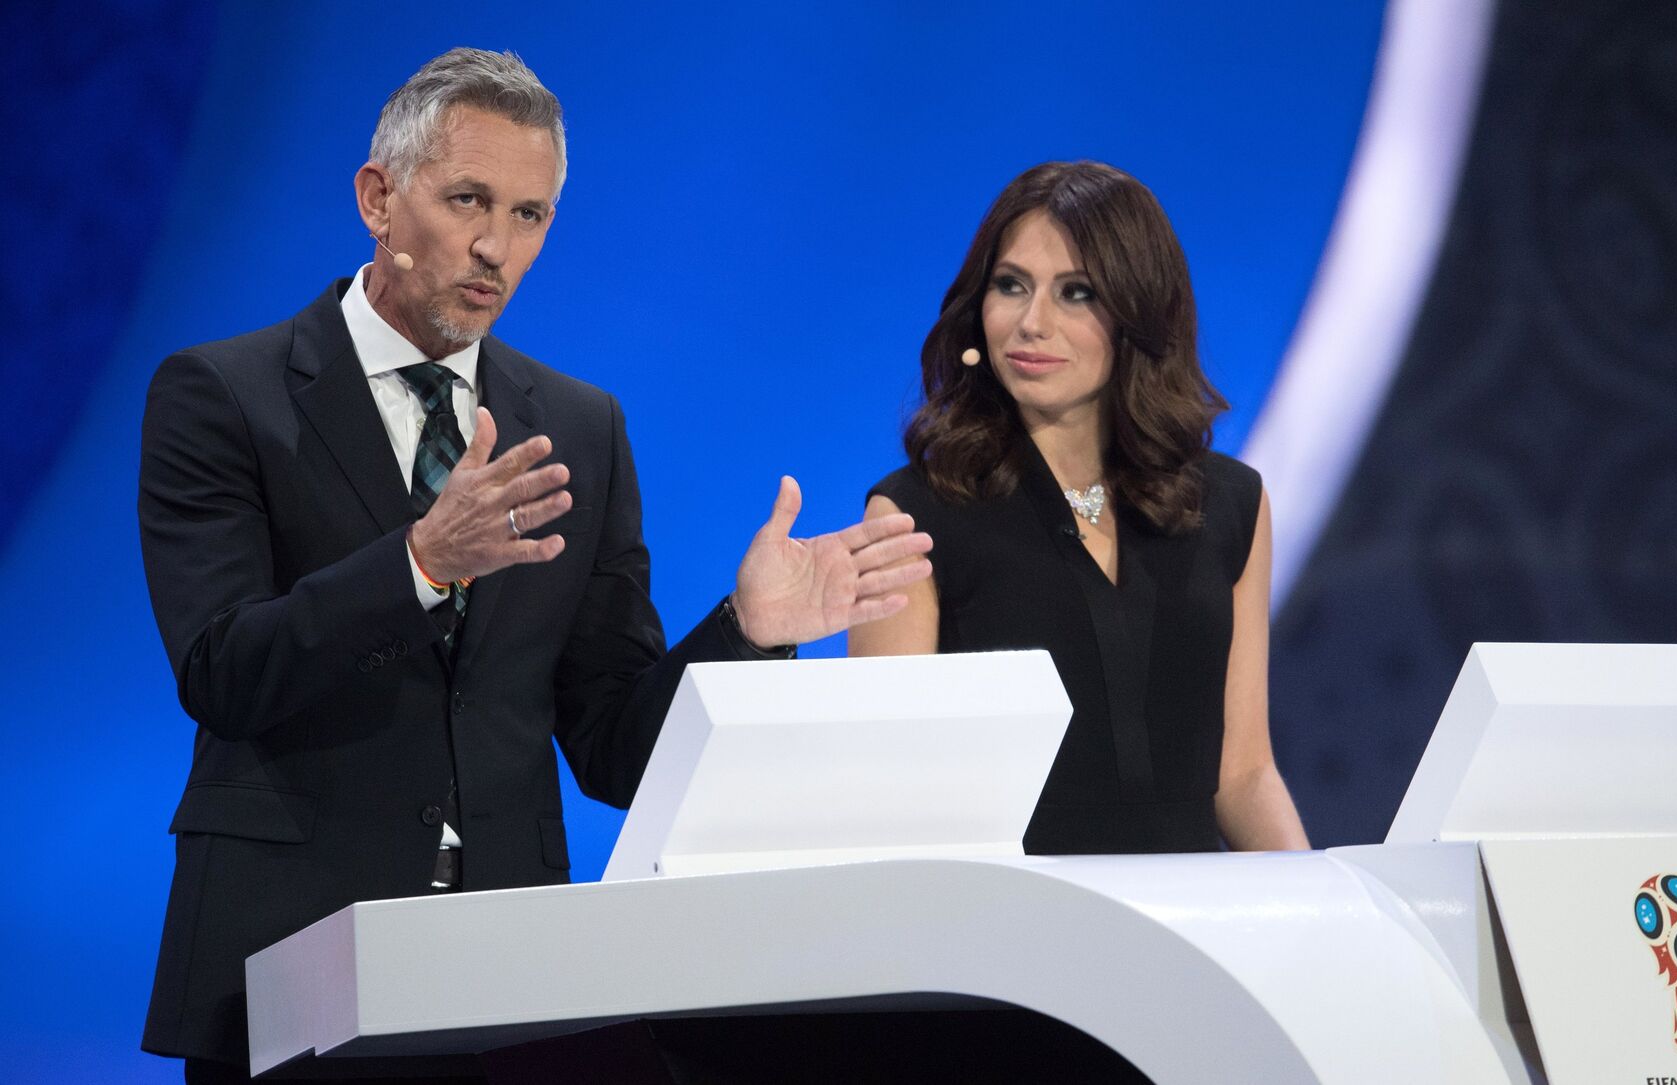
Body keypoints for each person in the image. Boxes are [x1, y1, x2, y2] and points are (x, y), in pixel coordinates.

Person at [137, 49, 930, 1082]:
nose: (494, 246)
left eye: (529, 214)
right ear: (378, 198)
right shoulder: (224, 394)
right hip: (291, 964)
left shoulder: (580, 428)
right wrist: (420, 561)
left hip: (509, 979)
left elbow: (613, 746)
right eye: (468, 199)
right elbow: (223, 671)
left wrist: (746, 632)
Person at [851, 161, 1310, 856]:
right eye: (1011, 286)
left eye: (1076, 293)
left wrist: (1316, 905)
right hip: (1008, 915)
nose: (1031, 323)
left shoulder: (1230, 505)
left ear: (1138, 313)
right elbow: (887, 797)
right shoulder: (911, 519)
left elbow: (1243, 775)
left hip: (1197, 912)